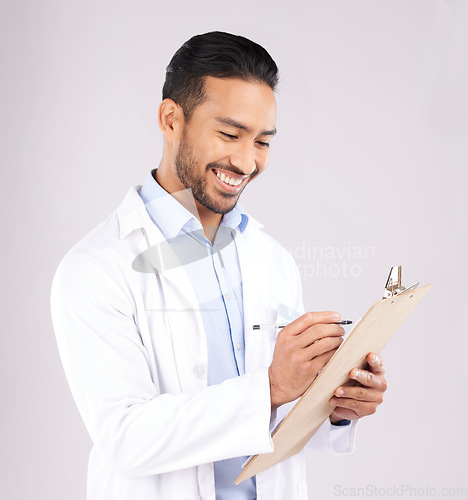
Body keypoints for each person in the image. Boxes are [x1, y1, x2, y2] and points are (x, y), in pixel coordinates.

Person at [50, 31, 387, 500]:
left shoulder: (271, 259)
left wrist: (334, 403)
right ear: (171, 119)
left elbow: (271, 425)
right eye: (229, 134)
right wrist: (269, 387)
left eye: (262, 142)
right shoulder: (96, 268)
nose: (246, 161)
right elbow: (125, 438)